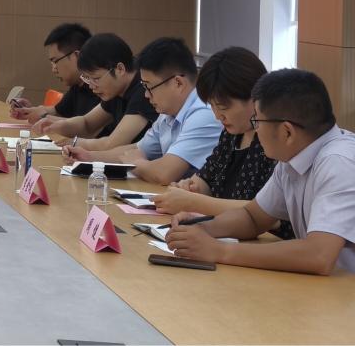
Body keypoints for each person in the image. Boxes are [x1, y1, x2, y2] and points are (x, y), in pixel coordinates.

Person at [167, 69, 355, 275]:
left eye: (257, 121)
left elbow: (318, 255)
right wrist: (201, 228)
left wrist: (220, 251)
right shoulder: (292, 157)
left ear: (287, 132)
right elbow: (253, 218)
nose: (255, 129)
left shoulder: (339, 163)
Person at [153, 48, 290, 237]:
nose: (218, 116)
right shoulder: (231, 134)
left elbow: (267, 212)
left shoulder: (274, 140)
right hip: (227, 236)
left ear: (254, 98)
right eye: (212, 106)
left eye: (223, 107)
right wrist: (188, 189)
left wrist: (192, 202)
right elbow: (206, 179)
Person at [64, 37, 221, 185]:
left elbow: (164, 173)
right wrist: (90, 157)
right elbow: (137, 149)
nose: (146, 95)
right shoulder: (168, 113)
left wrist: (137, 163)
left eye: (149, 87)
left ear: (178, 83)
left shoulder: (204, 113)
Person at [38, 33, 157, 150]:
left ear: (120, 69)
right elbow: (87, 124)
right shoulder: (117, 87)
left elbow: (112, 144)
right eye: (87, 79)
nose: (91, 86)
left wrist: (74, 143)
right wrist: (55, 126)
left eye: (95, 79)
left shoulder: (143, 90)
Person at [12, 23, 105, 128]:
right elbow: (58, 112)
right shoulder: (77, 85)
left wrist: (43, 116)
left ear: (77, 56)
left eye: (55, 61)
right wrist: (29, 111)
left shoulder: (102, 90)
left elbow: (87, 127)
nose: (54, 69)